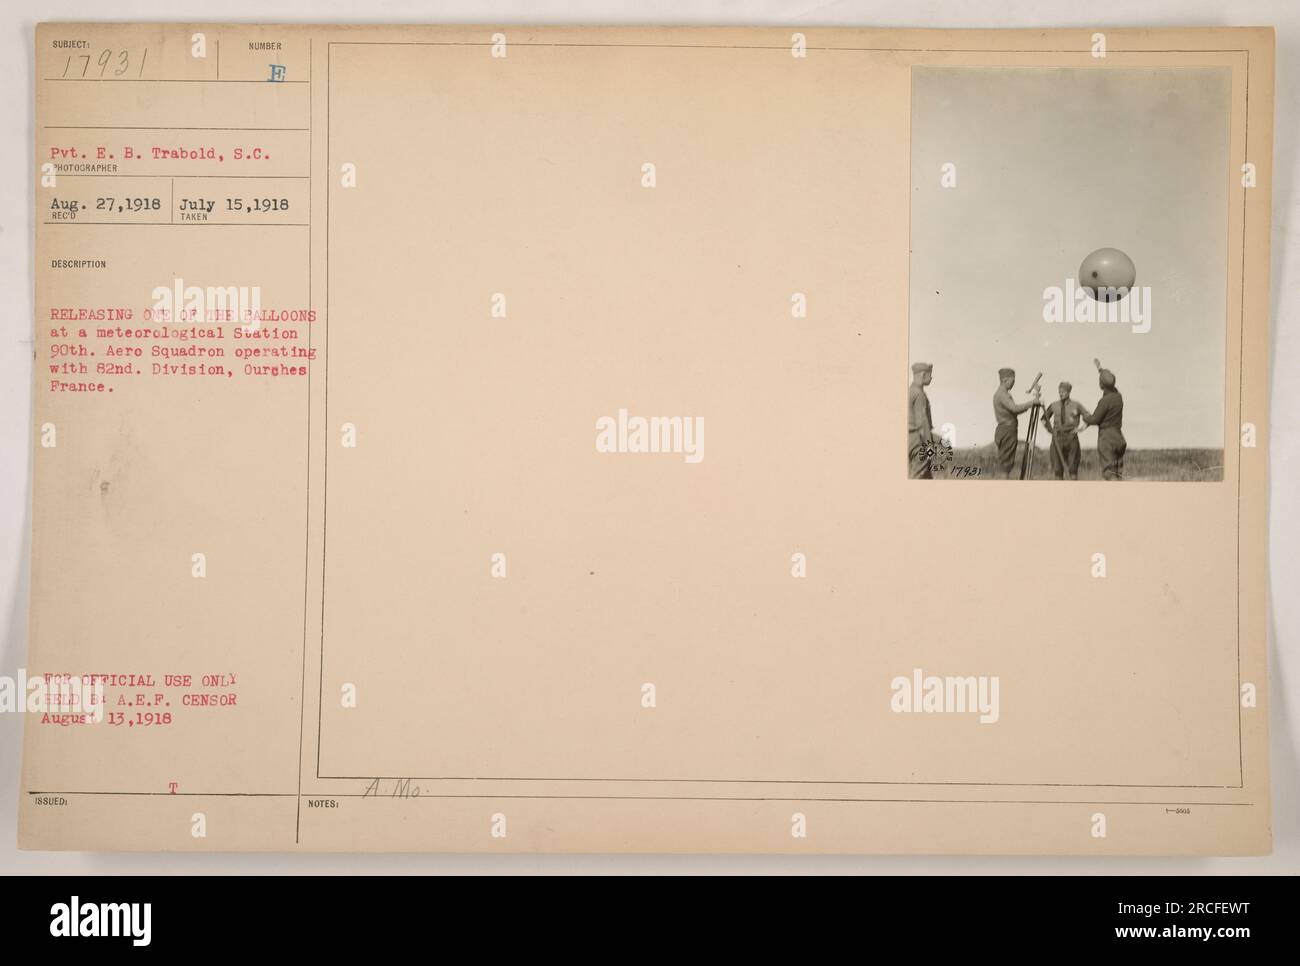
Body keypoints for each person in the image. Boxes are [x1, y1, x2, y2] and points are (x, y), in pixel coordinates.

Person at [1080, 367, 1126, 480]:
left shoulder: (1105, 401)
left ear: (1102, 385)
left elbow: (1094, 419)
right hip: (1119, 437)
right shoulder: (1118, 397)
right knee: (1118, 473)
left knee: (1109, 474)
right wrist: (1101, 370)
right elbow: (1110, 383)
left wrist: (1084, 415)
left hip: (1107, 438)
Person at [992, 368, 1038, 479]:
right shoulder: (1003, 394)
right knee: (1006, 466)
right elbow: (1014, 408)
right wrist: (1032, 403)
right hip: (1007, 431)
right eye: (1012, 381)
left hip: (1004, 429)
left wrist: (1029, 405)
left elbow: (1014, 410)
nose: (1013, 384)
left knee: (1005, 464)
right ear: (1005, 380)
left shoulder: (1000, 394)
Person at [1041, 381, 1089, 480]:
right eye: (1059, 391)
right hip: (1057, 438)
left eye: (1063, 391)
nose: (1061, 393)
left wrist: (1081, 428)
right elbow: (1043, 419)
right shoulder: (1054, 405)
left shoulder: (1076, 405)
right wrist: (1050, 430)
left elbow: (1089, 417)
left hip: (1071, 438)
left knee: (1073, 469)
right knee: (1057, 469)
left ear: (1068, 392)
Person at [908, 362, 936, 479]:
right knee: (917, 478)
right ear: (923, 375)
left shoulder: (910, 391)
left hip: (909, 441)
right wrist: (929, 446)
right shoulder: (919, 394)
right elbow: (922, 423)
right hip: (917, 442)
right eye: (930, 374)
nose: (931, 377)